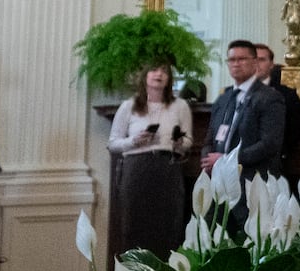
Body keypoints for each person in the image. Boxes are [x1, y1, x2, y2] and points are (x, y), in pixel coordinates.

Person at [107, 62, 194, 258]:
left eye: (165, 71)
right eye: (155, 70)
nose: (159, 74)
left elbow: (188, 141)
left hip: (167, 167)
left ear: (170, 79)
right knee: (134, 224)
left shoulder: (180, 106)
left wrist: (179, 142)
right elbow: (113, 143)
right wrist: (134, 141)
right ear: (145, 75)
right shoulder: (129, 106)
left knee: (168, 225)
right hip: (137, 168)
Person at [201, 40, 287, 230]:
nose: (236, 63)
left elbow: (270, 143)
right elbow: (210, 139)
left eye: (242, 59)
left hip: (251, 183)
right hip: (219, 185)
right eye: (231, 59)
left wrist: (226, 160)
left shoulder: (269, 97)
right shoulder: (224, 98)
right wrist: (208, 160)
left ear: (255, 63)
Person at [253, 44, 300, 168]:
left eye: (261, 60)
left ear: (271, 65)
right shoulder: (236, 93)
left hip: (274, 161)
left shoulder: (287, 94)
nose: (256, 64)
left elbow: (296, 128)